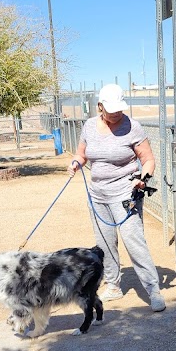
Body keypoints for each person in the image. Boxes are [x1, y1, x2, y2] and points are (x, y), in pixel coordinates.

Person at [68, 83, 166, 312]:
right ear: (100, 107)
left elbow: (148, 160)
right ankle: (113, 285)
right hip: (97, 194)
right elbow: (81, 154)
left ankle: (153, 290)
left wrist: (143, 178)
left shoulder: (133, 127)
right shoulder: (89, 126)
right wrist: (75, 163)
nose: (117, 114)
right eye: (112, 110)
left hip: (125, 192)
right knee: (104, 242)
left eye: (120, 109)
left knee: (133, 240)